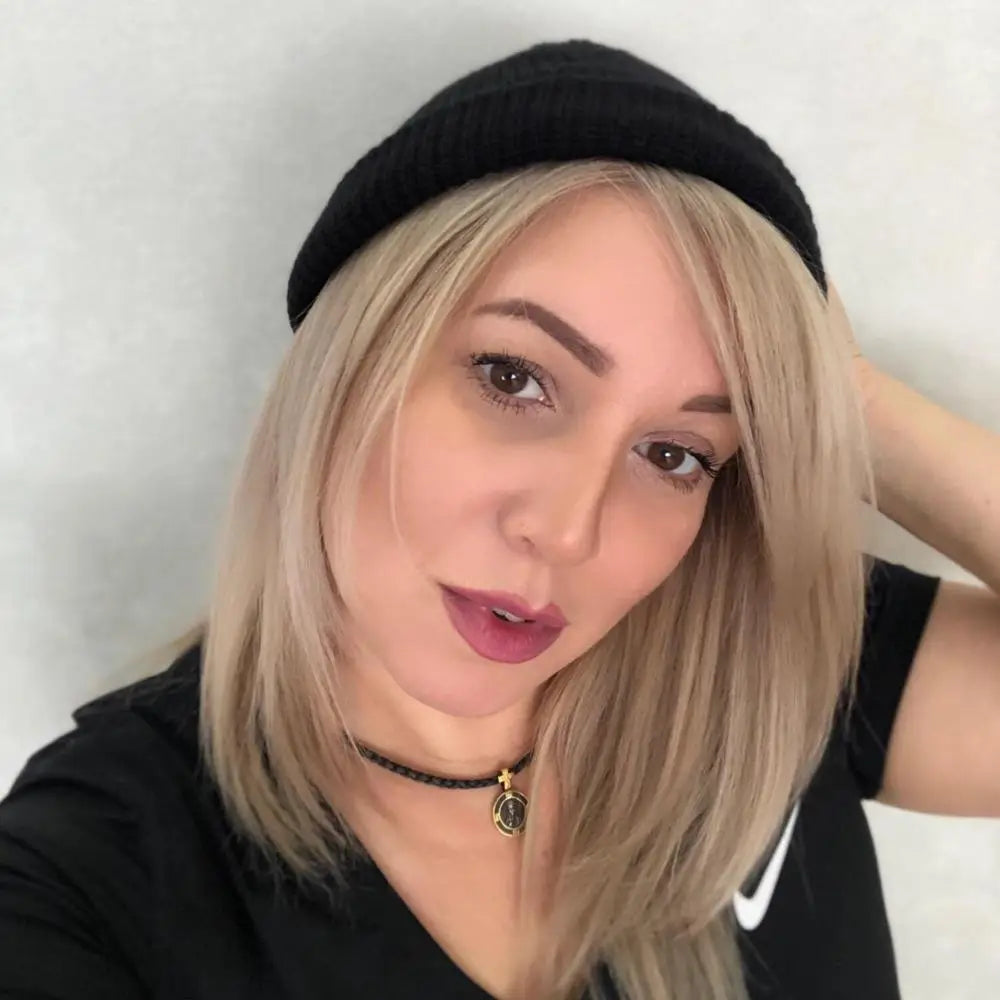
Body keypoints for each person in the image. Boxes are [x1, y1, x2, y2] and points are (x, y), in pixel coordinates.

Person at [0, 37, 998, 1000]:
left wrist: (842, 400)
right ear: (347, 362)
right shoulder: (91, 871)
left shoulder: (767, 660)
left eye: (675, 453)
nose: (567, 531)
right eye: (513, 377)